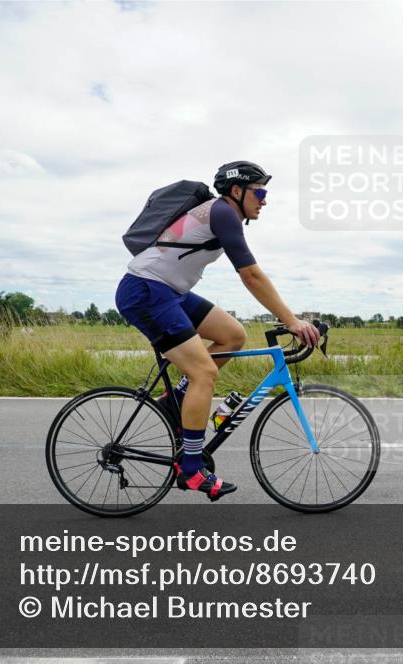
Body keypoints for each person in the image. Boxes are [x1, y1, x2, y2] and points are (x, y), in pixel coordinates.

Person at [115, 161, 321, 501]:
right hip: (146, 292)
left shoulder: (224, 214)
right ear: (237, 191)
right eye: (260, 191)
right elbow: (251, 275)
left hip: (169, 292)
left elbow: (251, 276)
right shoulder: (223, 212)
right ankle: (192, 470)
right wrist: (292, 321)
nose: (265, 200)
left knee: (233, 335)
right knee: (204, 374)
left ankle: (176, 401)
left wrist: (289, 318)